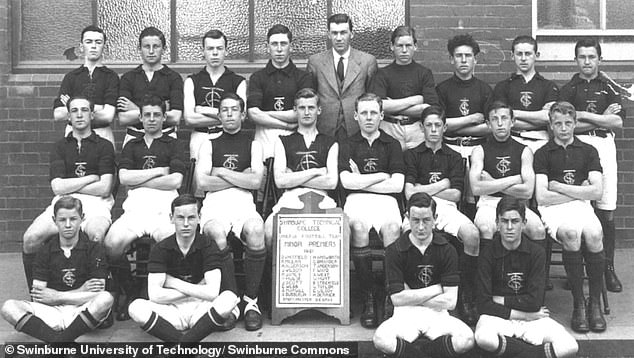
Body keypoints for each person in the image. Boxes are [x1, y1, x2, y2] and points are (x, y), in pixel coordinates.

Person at [104, 94, 186, 320]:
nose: (151, 119)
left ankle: (155, 293)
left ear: (164, 118)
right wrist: (159, 171)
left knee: (173, 244)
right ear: (140, 117)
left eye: (156, 115)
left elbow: (176, 181)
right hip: (136, 209)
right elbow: (124, 178)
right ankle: (130, 291)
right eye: (147, 115)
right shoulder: (132, 145)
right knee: (111, 244)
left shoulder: (174, 144)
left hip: (164, 209)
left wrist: (138, 177)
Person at [22, 96, 115, 291]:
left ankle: (97, 293)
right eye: (74, 111)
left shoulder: (104, 146)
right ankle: (38, 294)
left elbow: (105, 188)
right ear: (69, 117)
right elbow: (57, 187)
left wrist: (70, 184)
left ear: (92, 114)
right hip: (62, 203)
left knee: (96, 236)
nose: (79, 114)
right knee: (30, 239)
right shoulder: (59, 147)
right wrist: (91, 178)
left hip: (96, 203)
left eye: (84, 110)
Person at [403, 105, 480, 325]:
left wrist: (424, 187)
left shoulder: (454, 157)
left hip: (446, 207)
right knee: (405, 232)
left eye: (438, 125)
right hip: (418, 208)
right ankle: (408, 296)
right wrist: (443, 182)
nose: (434, 129)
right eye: (429, 125)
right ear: (421, 127)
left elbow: (456, 194)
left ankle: (465, 296)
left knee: (472, 235)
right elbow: (410, 193)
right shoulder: (412, 155)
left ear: (445, 127)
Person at [373, 193, 474, 358]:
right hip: (405, 314)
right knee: (381, 339)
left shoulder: (447, 250)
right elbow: (397, 299)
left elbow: (450, 302)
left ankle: (419, 354)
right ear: (407, 218)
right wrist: (437, 288)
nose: (420, 227)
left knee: (467, 339)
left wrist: (409, 293)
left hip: (437, 314)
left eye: (426, 220)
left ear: (435, 218)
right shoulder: (395, 250)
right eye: (415, 220)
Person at [474, 196, 578, 358]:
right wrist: (525, 314)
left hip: (531, 319)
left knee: (570, 346)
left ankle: (517, 353)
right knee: (483, 338)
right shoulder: (487, 253)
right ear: (497, 223)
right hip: (499, 317)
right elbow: (483, 304)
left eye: (515, 221)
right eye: (504, 221)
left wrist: (499, 299)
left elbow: (535, 301)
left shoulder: (536, 253)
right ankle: (531, 354)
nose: (509, 227)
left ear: (523, 224)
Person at [534, 101, 606, 333]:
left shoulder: (588, 151)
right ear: (551, 126)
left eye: (568, 123)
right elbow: (542, 197)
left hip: (581, 206)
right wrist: (577, 191)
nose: (563, 128)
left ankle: (593, 302)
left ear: (575, 123)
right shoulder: (543, 153)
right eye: (558, 124)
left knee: (595, 234)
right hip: (554, 211)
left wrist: (559, 186)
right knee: (572, 234)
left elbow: (597, 191)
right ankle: (578, 304)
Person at [127, 194, 240, 342]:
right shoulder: (161, 248)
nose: (186, 223)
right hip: (172, 309)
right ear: (171, 218)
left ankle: (180, 348)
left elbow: (212, 293)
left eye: (191, 217)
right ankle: (187, 347)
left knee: (229, 299)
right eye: (180, 217)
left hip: (201, 308)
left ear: (199, 217)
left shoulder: (208, 245)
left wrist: (172, 282)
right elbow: (155, 295)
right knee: (135, 308)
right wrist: (198, 288)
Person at [196, 93, 265, 331]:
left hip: (244, 203)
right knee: (216, 234)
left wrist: (220, 171)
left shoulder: (254, 144)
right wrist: (240, 177)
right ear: (218, 115)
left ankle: (251, 301)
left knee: (257, 230)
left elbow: (256, 182)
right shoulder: (209, 144)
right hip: (214, 203)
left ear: (243, 114)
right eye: (224, 110)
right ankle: (232, 300)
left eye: (234, 109)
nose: (229, 114)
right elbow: (203, 184)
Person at [559, 38, 624, 293]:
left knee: (606, 210)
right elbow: (565, 125)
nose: (587, 62)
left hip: (605, 145)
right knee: (578, 208)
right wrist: (600, 118)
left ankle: (607, 267)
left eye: (592, 57)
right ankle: (579, 269)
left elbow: (617, 123)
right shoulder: (567, 90)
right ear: (575, 60)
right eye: (582, 57)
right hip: (576, 149)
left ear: (600, 59)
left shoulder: (609, 88)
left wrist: (583, 115)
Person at [2, 196, 113, 342]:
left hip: (81, 310)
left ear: (82, 219)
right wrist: (81, 291)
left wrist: (57, 296)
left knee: (106, 299)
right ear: (54, 220)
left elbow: (97, 294)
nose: (68, 225)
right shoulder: (45, 251)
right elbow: (39, 296)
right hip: (53, 312)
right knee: (8, 307)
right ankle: (61, 343)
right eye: (62, 220)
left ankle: (56, 345)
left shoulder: (93, 249)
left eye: (73, 219)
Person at [339, 93, 404, 328]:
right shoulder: (347, 143)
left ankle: (388, 295)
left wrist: (362, 178)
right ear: (356, 116)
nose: (369, 117)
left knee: (392, 228)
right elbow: (346, 182)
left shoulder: (392, 144)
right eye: (364, 113)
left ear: (382, 115)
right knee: (357, 228)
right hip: (356, 199)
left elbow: (397, 185)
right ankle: (367, 295)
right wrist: (380, 176)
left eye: (373, 112)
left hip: (387, 201)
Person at [263, 88, 339, 248]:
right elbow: (280, 182)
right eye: (302, 108)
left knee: (339, 230)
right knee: (269, 229)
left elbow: (331, 182)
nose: (306, 112)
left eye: (311, 108)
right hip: (291, 197)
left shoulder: (330, 142)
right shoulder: (283, 141)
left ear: (319, 110)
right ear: (295, 110)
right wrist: (317, 172)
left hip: (321, 197)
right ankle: (274, 273)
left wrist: (294, 177)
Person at [469, 100, 545, 246]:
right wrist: (515, 179)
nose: (500, 123)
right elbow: (477, 188)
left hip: (518, 204)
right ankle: (487, 269)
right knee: (485, 229)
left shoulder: (525, 151)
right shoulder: (479, 151)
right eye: (494, 119)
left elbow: (528, 192)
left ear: (512, 121)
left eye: (504, 118)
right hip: (489, 203)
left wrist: (491, 182)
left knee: (538, 229)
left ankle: (536, 269)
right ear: (488, 124)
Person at [183, 29, 247, 197]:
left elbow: (240, 116)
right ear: (203, 51)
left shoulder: (238, 81)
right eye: (210, 48)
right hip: (200, 137)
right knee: (199, 187)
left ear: (226, 50)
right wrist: (224, 116)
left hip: (227, 137)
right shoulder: (192, 81)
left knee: (225, 183)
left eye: (219, 48)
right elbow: (189, 118)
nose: (215, 53)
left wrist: (203, 109)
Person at [437, 34, 492, 215]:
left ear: (475, 59)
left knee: (475, 200)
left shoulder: (485, 89)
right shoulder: (442, 89)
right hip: (450, 147)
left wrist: (454, 125)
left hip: (477, 148)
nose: (463, 60)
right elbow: (438, 125)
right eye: (458, 56)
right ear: (451, 59)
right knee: (451, 197)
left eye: (468, 56)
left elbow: (489, 127)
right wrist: (471, 119)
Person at [307, 13, 378, 142]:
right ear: (329, 34)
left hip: (356, 128)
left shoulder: (367, 61)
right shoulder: (315, 61)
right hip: (325, 128)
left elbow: (371, 97)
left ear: (351, 34)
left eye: (343, 33)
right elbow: (311, 97)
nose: (338, 38)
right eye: (334, 33)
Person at [247, 24, 313, 161]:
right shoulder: (257, 77)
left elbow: (301, 113)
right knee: (264, 178)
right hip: (264, 136)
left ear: (291, 46)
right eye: (274, 44)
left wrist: (266, 113)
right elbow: (253, 114)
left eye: (283, 44)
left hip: (295, 136)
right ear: (267, 47)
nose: (279, 49)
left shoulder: (303, 77)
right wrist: (286, 124)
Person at [368, 26, 438, 150]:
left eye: (408, 45)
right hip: (390, 127)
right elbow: (379, 106)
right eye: (400, 46)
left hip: (417, 129)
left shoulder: (424, 73)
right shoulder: (382, 74)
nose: (404, 50)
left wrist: (393, 105)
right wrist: (416, 100)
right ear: (392, 46)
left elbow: (429, 109)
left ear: (415, 46)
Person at [53, 25, 119, 146]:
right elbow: (58, 114)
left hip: (102, 134)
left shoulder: (111, 77)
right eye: (88, 42)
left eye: (98, 42)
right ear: (81, 47)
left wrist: (73, 107)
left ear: (104, 46)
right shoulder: (71, 77)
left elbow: (108, 115)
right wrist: (98, 108)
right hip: (73, 135)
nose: (93, 46)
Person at [492, 35, 559, 152]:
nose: (523, 58)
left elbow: (548, 117)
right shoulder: (503, 86)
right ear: (512, 56)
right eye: (519, 54)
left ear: (536, 56)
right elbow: (501, 120)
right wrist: (536, 118)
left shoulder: (548, 86)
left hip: (541, 140)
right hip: (512, 140)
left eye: (528, 54)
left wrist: (513, 113)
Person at [118, 26, 183, 146]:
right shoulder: (128, 78)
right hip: (134, 138)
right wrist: (161, 111)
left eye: (156, 46)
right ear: (139, 48)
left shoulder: (173, 78)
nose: (151, 51)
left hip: (167, 138)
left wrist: (136, 109)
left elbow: (175, 118)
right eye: (147, 46)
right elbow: (123, 118)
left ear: (164, 49)